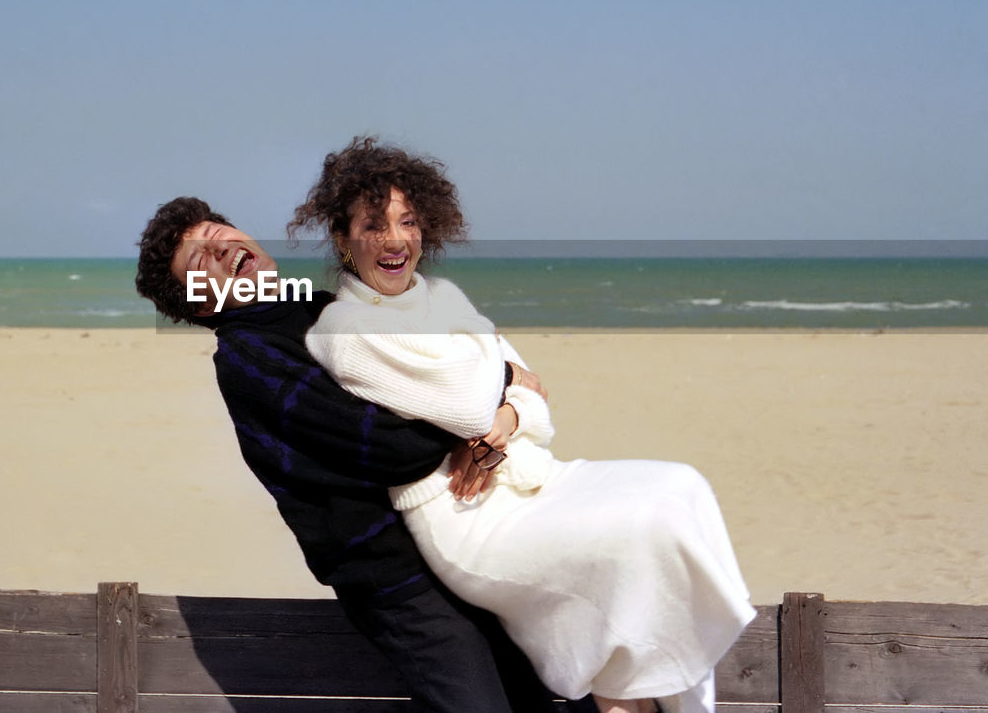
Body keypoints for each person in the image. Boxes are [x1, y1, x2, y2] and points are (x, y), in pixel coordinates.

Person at [290, 136, 758, 713]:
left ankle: (641, 697)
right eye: (373, 225)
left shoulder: (443, 295)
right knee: (641, 530)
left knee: (679, 486)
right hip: (466, 516)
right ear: (343, 238)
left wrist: (507, 411)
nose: (395, 240)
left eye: (408, 222)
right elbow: (464, 402)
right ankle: (625, 694)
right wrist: (503, 374)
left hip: (531, 475)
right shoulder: (341, 328)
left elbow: (539, 409)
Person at [135, 196, 570, 713]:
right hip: (398, 580)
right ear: (201, 304)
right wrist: (486, 411)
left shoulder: (322, 308)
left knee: (549, 693)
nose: (221, 246)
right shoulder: (248, 361)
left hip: (464, 538)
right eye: (199, 259)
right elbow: (393, 447)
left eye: (218, 231)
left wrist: (494, 403)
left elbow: (454, 352)